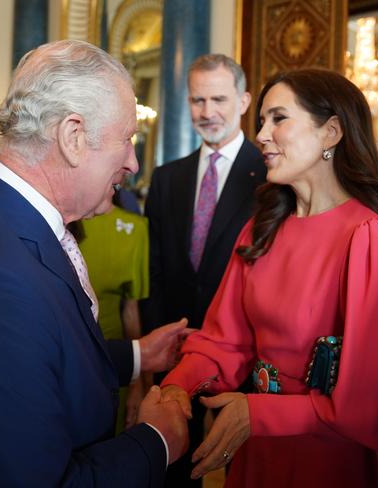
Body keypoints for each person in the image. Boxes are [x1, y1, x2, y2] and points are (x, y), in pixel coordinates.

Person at [0, 40, 191, 486]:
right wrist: (156, 440)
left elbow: (38, 354)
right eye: (127, 139)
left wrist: (137, 354)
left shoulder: (7, 221)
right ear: (72, 137)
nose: (131, 161)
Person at [160, 68, 378, 487]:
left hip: (324, 458)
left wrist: (259, 414)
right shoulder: (260, 230)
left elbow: (372, 402)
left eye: (278, 119)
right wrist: (179, 385)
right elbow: (225, 340)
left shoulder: (372, 239)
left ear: (332, 132)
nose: (262, 135)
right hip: (252, 449)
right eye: (262, 121)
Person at [142, 53, 266, 486]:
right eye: (197, 100)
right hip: (176, 347)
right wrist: (161, 336)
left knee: (246, 468)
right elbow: (154, 269)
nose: (207, 112)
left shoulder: (272, 176)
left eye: (218, 99)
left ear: (245, 101)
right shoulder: (166, 178)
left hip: (245, 351)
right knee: (174, 466)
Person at [73, 192, 151, 433]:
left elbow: (131, 312)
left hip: (114, 359)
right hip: (60, 356)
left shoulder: (135, 229)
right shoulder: (56, 220)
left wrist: (138, 383)